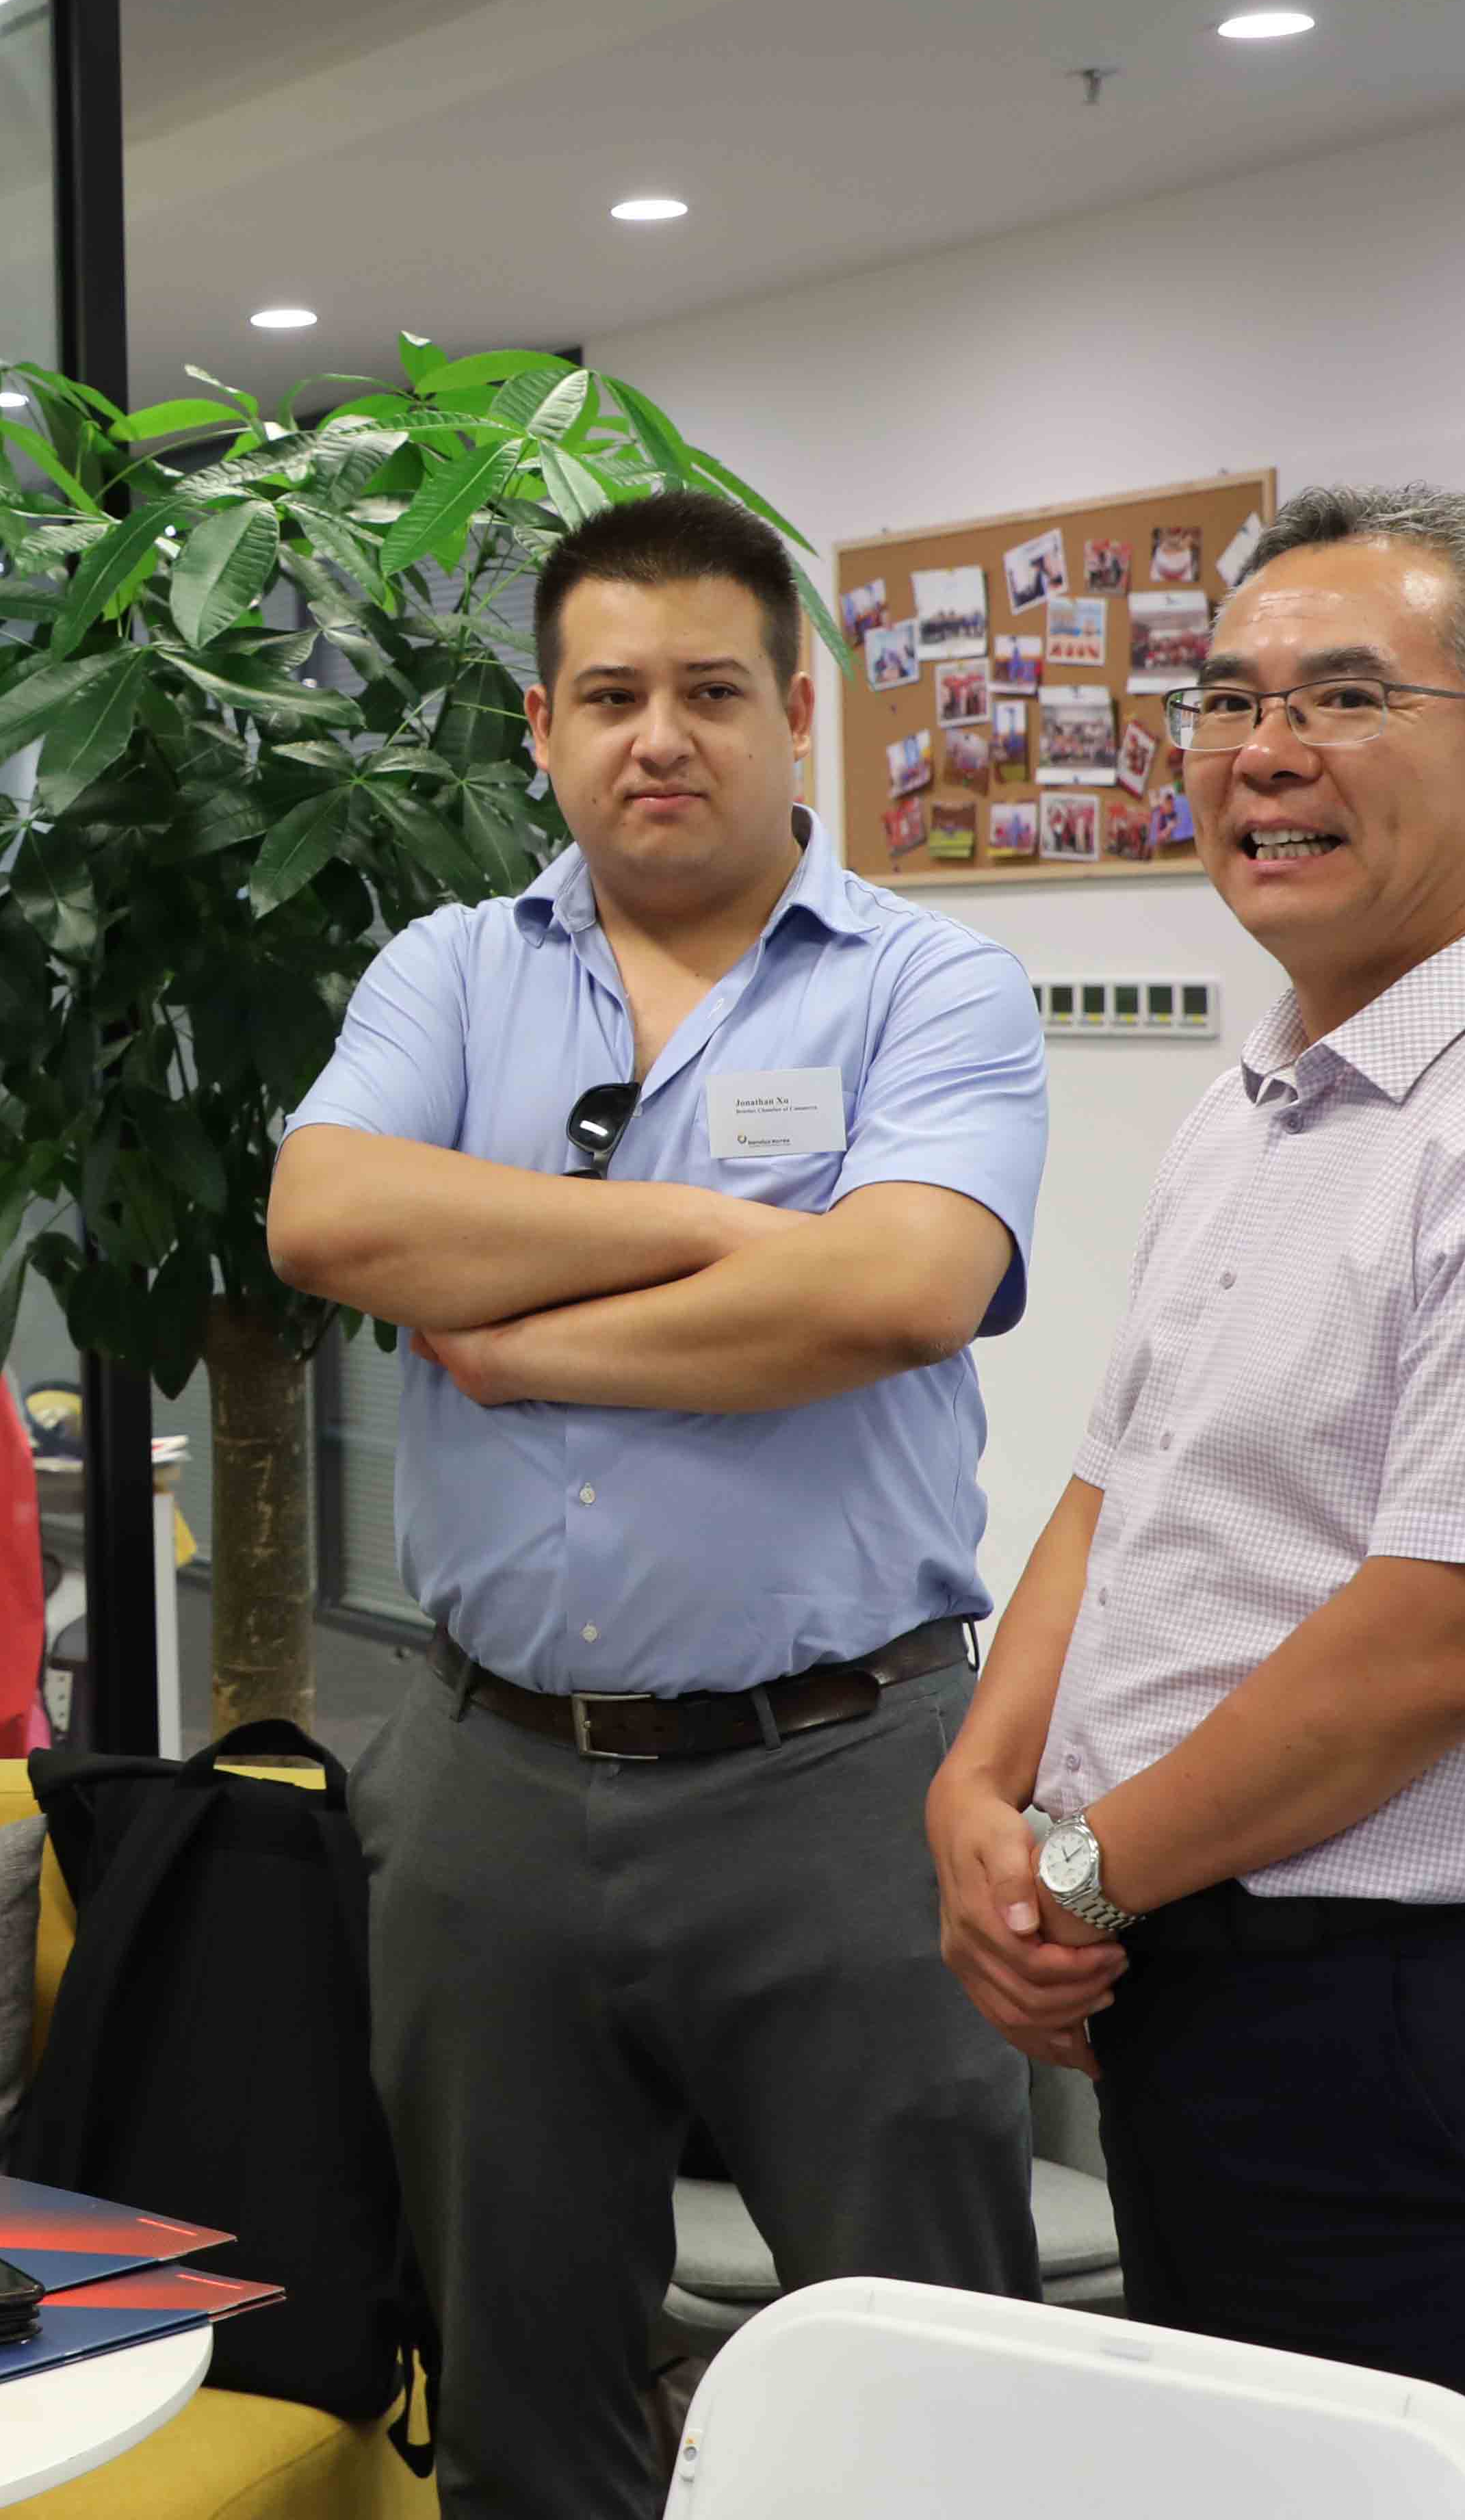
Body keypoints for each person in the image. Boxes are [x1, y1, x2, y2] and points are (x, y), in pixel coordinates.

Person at [925, 486, 1465, 2520]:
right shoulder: (1257, 1099)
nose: (1262, 752)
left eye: (1345, 698)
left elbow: (1435, 1641)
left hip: (1403, 2020)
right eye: (1224, 702)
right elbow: (1116, 1490)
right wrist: (977, 1787)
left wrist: (1079, 1874)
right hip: (1187, 1970)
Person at [268, 490, 1052, 2518]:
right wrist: (718, 1235)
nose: (659, 737)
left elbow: (899, 1292)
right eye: (610, 695)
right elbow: (329, 1213)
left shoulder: (930, 984)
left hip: (843, 1781)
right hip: (489, 1786)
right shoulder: (450, 971)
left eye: (710, 690)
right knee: (518, 2402)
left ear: (797, 713)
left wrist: (516, 1335)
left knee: (928, 2392)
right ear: (540, 726)